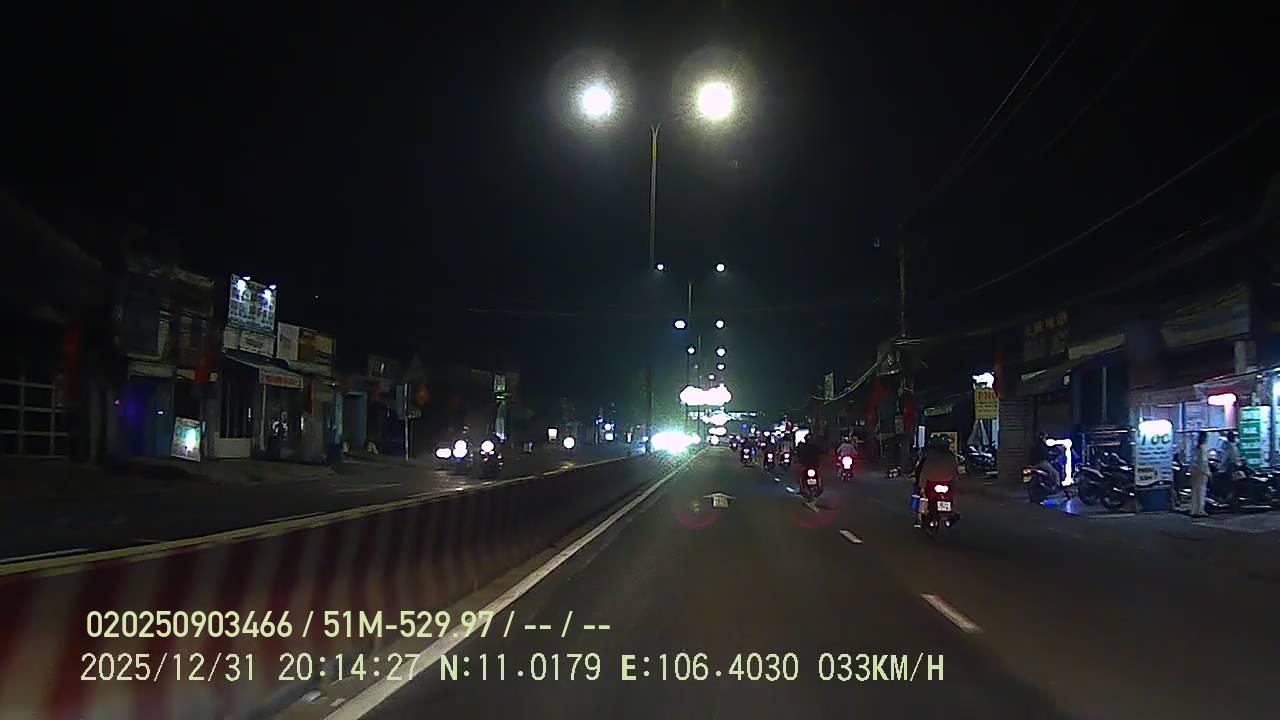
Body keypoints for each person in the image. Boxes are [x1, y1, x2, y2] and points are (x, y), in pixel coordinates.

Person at [913, 436, 959, 527]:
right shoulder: (951, 456)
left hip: (932, 482)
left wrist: (922, 487)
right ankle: (953, 512)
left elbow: (924, 472)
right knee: (952, 496)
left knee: (922, 496)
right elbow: (955, 472)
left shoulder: (929, 456)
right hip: (947, 483)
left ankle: (919, 518)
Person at [1188, 430, 1210, 518]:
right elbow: (1203, 462)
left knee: (1195, 491)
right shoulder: (1203, 448)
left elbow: (1192, 460)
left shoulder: (1196, 447)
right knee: (1201, 491)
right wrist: (1207, 472)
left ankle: (1193, 510)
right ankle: (1200, 510)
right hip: (1201, 472)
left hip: (1194, 471)